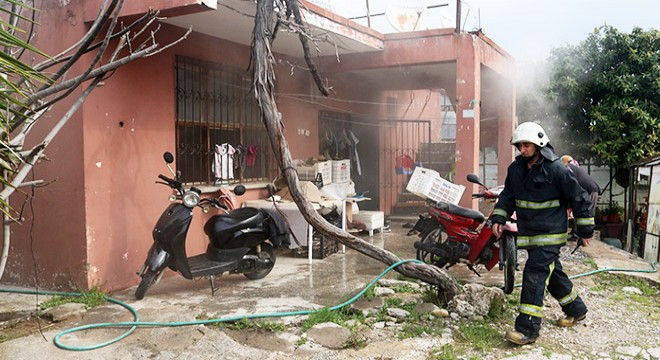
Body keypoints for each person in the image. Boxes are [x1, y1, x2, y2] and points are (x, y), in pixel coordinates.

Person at [491, 122, 595, 345]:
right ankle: (576, 309)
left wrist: (585, 230)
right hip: (530, 234)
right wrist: (499, 217)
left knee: (535, 274)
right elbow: (508, 195)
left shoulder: (556, 168)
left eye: (526, 145)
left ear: (539, 144)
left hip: (550, 234)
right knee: (552, 272)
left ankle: (527, 329)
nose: (522, 149)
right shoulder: (516, 169)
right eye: (519, 146)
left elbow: (579, 197)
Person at [561, 155, 600, 239]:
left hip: (590, 191)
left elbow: (570, 183)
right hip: (587, 190)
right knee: (578, 210)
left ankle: (586, 235)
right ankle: (576, 233)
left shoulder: (569, 168)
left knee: (588, 213)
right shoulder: (573, 168)